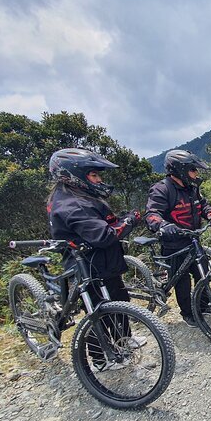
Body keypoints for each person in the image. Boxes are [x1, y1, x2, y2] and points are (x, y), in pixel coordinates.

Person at [47, 147, 143, 370]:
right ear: (73, 174)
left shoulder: (81, 195)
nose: (99, 179)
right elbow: (104, 234)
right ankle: (100, 359)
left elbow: (106, 222)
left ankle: (123, 341)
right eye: (94, 175)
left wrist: (122, 220)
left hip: (104, 263)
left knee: (119, 301)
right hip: (88, 267)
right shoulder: (71, 205)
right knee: (96, 312)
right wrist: (130, 220)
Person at [145, 149, 211, 327]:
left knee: (204, 273)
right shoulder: (162, 189)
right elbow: (151, 214)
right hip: (174, 246)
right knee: (182, 283)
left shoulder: (192, 188)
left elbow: (203, 205)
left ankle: (203, 306)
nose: (196, 174)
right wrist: (164, 225)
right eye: (193, 170)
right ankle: (188, 313)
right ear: (180, 169)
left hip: (193, 241)